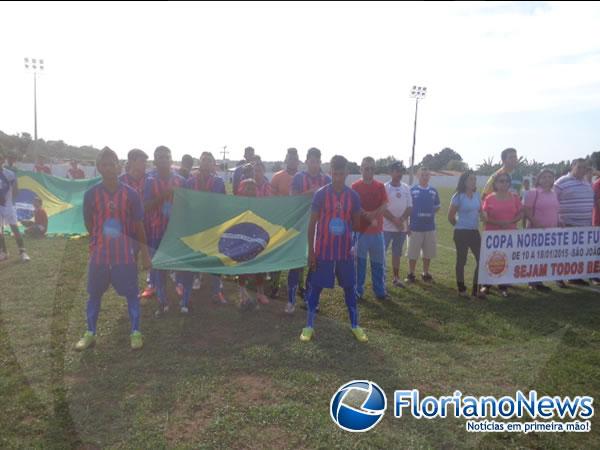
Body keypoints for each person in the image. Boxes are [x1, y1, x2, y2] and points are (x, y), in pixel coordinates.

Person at [74, 147, 151, 351]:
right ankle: (90, 333)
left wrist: (145, 254)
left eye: (112, 163)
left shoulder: (131, 194)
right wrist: (98, 242)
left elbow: (139, 226)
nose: (109, 168)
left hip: (124, 255)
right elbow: (89, 222)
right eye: (104, 164)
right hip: (100, 254)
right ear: (99, 168)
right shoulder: (91, 194)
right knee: (94, 295)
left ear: (118, 166)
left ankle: (135, 332)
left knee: (132, 294)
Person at [301, 155, 368, 343]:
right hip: (324, 251)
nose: (338, 178)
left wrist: (355, 223)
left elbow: (356, 225)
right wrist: (311, 252)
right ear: (330, 173)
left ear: (347, 173)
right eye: (334, 174)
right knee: (315, 287)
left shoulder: (353, 196)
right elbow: (312, 224)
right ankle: (309, 326)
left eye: (341, 173)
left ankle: (355, 325)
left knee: (349, 288)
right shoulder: (321, 194)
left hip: (345, 251)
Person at [179, 151, 229, 311]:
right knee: (193, 257)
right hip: (195, 227)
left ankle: (216, 290)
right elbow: (186, 204)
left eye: (209, 160)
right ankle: (188, 293)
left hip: (213, 226)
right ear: (199, 163)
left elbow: (223, 203)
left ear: (213, 164)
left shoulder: (219, 182)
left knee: (215, 259)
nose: (206, 163)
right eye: (204, 160)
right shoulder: (190, 181)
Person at [286, 147, 331, 314]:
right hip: (301, 226)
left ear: (320, 162)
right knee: (296, 263)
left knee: (315, 263)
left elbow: (331, 200)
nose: (314, 164)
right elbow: (292, 198)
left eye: (317, 161)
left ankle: (311, 299)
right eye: (312, 161)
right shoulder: (298, 177)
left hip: (320, 227)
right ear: (306, 161)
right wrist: (309, 193)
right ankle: (290, 301)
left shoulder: (326, 179)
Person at [143, 146, 186, 316]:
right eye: (160, 157)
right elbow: (146, 207)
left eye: (167, 157)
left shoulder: (181, 180)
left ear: (171, 159)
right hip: (157, 230)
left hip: (176, 231)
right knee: (159, 267)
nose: (164, 160)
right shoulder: (149, 181)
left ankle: (182, 297)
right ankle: (162, 301)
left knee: (179, 265)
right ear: (155, 161)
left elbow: (187, 205)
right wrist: (164, 195)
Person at [351, 157, 389, 301]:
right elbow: (354, 205)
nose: (369, 171)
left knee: (378, 263)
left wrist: (372, 214)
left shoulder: (380, 186)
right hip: (361, 232)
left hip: (377, 233)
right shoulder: (355, 186)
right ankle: (358, 291)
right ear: (361, 169)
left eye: (372, 168)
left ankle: (379, 290)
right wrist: (365, 214)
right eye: (366, 168)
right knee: (359, 265)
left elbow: (385, 204)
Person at [554, 158, 595, 287]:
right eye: (579, 167)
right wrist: (559, 220)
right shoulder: (561, 182)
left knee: (577, 253)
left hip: (585, 226)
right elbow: (553, 202)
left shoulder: (587, 183)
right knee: (563, 253)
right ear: (572, 166)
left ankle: (574, 277)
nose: (582, 170)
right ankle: (558, 278)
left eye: (585, 168)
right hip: (567, 224)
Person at [481, 173, 523, 297]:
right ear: (495, 184)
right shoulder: (489, 198)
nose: (503, 184)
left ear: (509, 183)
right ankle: (486, 285)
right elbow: (484, 217)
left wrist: (510, 222)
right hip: (492, 236)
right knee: (491, 259)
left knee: (506, 260)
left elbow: (520, 213)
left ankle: (503, 286)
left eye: (506, 181)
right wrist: (498, 223)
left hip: (509, 236)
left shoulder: (514, 197)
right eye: (501, 181)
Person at [269, 148, 300, 297]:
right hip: (282, 223)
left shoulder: (302, 178)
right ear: (286, 160)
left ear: (298, 161)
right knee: (279, 252)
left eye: (295, 158)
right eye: (290, 158)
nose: (293, 161)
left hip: (299, 222)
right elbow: (271, 200)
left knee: (298, 253)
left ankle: (297, 285)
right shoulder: (277, 177)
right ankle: (274, 284)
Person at [236, 177, 271, 308]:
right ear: (242, 189)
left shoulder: (260, 204)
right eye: (248, 188)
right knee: (242, 268)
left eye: (253, 188)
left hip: (256, 239)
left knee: (259, 266)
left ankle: (260, 293)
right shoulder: (237, 203)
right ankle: (242, 295)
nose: (251, 191)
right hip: (241, 240)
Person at [447, 171, 483, 297]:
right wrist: (459, 226)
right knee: (461, 261)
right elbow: (450, 217)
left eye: (475, 179)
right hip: (461, 232)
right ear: (464, 182)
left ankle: (475, 289)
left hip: (474, 232)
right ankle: (461, 288)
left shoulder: (477, 195)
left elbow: (481, 213)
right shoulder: (458, 196)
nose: (474, 182)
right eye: (471, 179)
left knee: (481, 259)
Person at [523, 169, 559, 292]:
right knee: (535, 257)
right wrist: (535, 222)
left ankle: (539, 281)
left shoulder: (554, 193)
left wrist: (559, 221)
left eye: (550, 176)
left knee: (544, 257)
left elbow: (555, 210)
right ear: (539, 179)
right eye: (544, 177)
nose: (547, 179)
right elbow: (526, 210)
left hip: (551, 232)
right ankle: (534, 282)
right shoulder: (534, 193)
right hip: (536, 231)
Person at [406, 167, 441, 283]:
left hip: (429, 227)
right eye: (422, 175)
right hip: (415, 227)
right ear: (418, 176)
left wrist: (428, 214)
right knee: (413, 253)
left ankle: (425, 273)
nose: (425, 177)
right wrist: (408, 225)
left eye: (427, 175)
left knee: (428, 252)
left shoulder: (433, 191)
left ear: (429, 176)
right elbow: (408, 208)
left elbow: (437, 207)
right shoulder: (412, 190)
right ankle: (411, 273)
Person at [383, 161, 412, 288]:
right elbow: (382, 208)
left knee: (397, 253)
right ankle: (381, 278)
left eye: (401, 171)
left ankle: (396, 277)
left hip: (401, 228)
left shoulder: (406, 188)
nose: (399, 174)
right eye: (396, 171)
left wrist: (401, 220)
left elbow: (410, 207)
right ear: (390, 172)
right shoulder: (384, 187)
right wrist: (395, 220)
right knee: (381, 253)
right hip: (386, 228)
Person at [0, 150, 31, 262]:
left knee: (15, 228)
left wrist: (8, 201)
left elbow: (16, 190)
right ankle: (3, 252)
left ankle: (23, 252)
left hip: (8, 206)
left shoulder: (9, 174)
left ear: (2, 160)